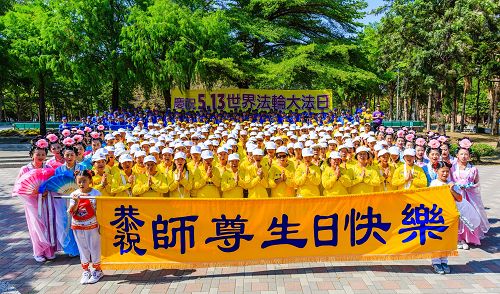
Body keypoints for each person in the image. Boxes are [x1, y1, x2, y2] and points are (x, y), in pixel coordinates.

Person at [13, 139, 57, 262]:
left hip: (46, 201)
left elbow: (53, 184)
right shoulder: (25, 169)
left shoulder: (48, 168)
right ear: (32, 154)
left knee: (48, 224)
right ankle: (38, 252)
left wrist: (46, 191)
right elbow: (20, 189)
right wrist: (35, 193)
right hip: (32, 203)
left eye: (43, 154)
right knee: (36, 226)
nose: (41, 157)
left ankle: (49, 251)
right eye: (38, 154)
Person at [450, 144, 490, 249]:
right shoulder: (453, 168)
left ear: (469, 156)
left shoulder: (473, 169)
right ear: (457, 155)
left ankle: (470, 238)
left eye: (466, 154)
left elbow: (477, 183)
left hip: (469, 196)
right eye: (461, 154)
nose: (463, 156)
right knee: (459, 215)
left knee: (471, 214)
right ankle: (459, 238)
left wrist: (469, 186)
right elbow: (450, 181)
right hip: (457, 195)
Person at [68, 170, 103, 284]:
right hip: (77, 225)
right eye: (79, 181)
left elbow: (101, 211)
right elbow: (70, 211)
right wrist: (77, 202)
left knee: (94, 247)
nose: (82, 184)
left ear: (90, 181)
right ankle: (86, 270)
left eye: (84, 181)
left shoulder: (96, 193)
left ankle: (98, 270)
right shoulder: (74, 194)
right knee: (82, 248)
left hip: (92, 225)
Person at [428, 161, 463, 275]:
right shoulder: (434, 184)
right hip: (436, 216)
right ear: (436, 171)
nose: (445, 173)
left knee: (447, 239)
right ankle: (436, 261)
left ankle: (444, 261)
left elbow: (459, 198)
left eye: (447, 171)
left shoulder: (452, 184)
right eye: (443, 171)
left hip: (449, 217)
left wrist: (451, 189)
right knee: (436, 239)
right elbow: (430, 199)